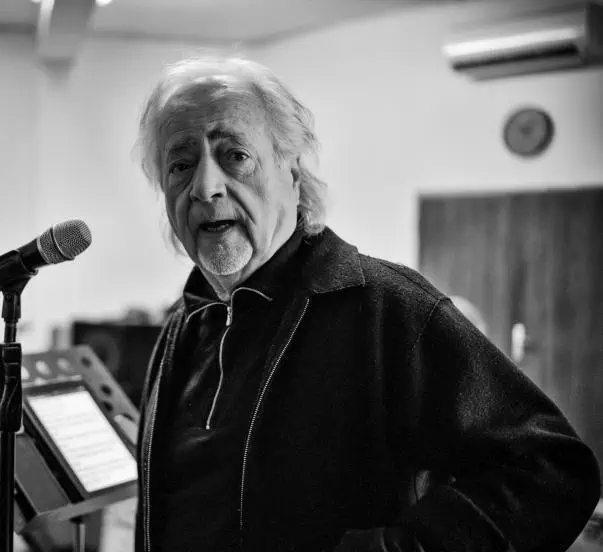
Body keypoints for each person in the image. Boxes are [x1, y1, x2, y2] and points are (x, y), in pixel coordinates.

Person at [131, 55, 601, 552]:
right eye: (180, 165)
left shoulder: (389, 310)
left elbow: (552, 472)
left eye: (235, 155)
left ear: (292, 171)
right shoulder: (184, 325)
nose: (205, 187)